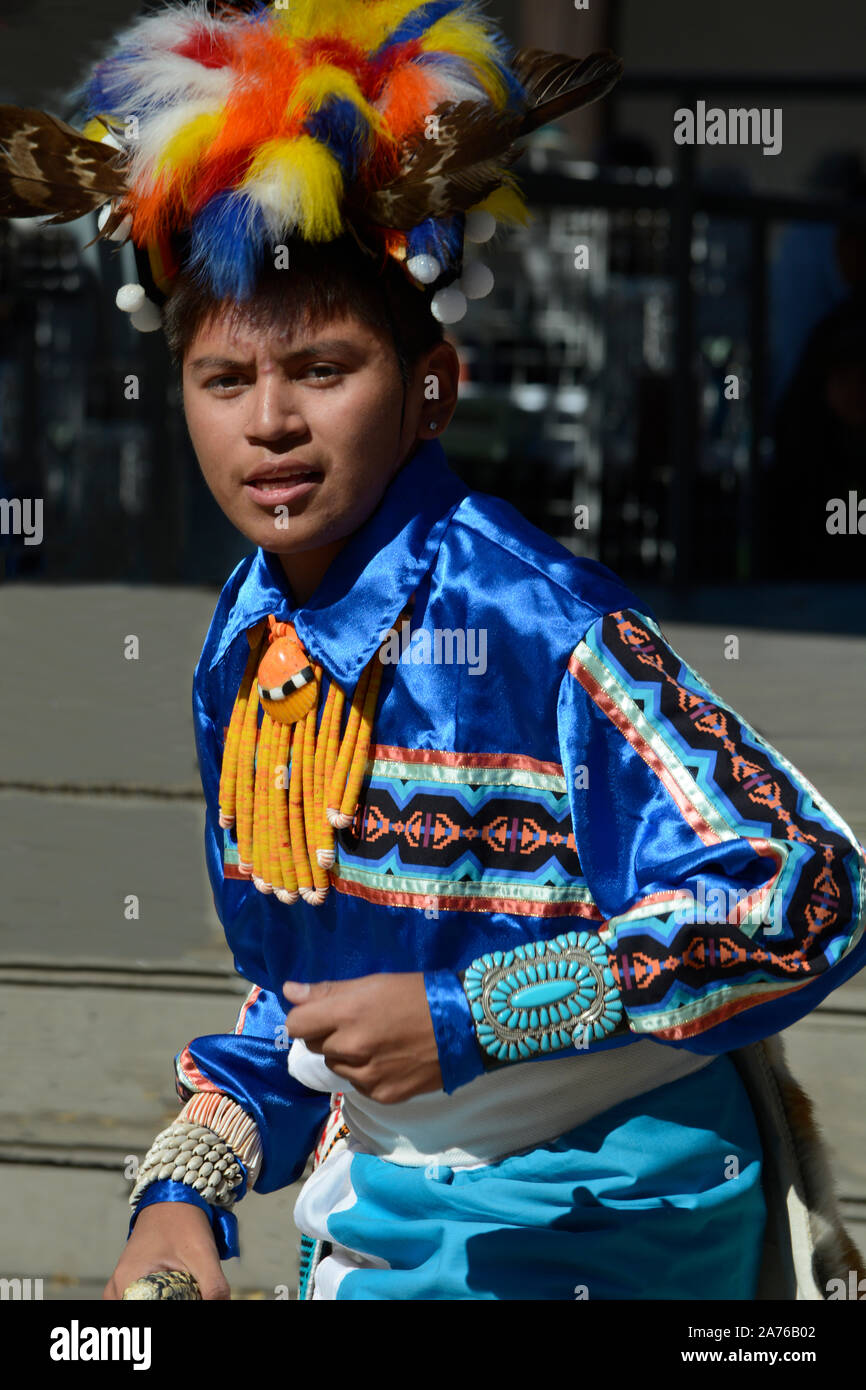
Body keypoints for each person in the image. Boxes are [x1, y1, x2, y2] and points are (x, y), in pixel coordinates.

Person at [3, 0, 864, 1302]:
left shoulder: (533, 621)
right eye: (226, 380)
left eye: (325, 368)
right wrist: (187, 1186)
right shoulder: (248, 641)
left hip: (600, 1213)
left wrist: (475, 1014)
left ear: (430, 389)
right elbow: (300, 996)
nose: (273, 422)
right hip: (400, 1205)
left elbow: (809, 888)